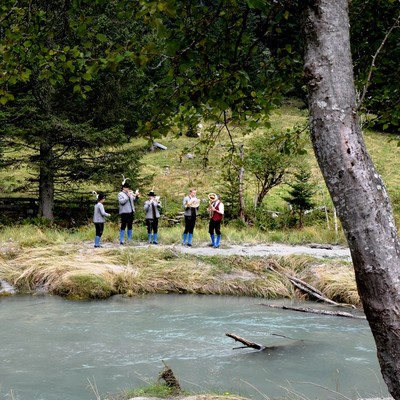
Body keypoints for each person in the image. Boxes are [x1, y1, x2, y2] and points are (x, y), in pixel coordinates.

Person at [118, 179, 139, 245]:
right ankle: (122, 240)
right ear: (124, 188)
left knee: (130, 225)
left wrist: (137, 196)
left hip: (131, 211)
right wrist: (128, 196)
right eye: (126, 187)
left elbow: (134, 200)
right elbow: (122, 202)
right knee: (123, 225)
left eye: (128, 188)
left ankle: (129, 239)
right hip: (124, 212)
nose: (128, 189)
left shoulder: (130, 193)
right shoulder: (120, 194)